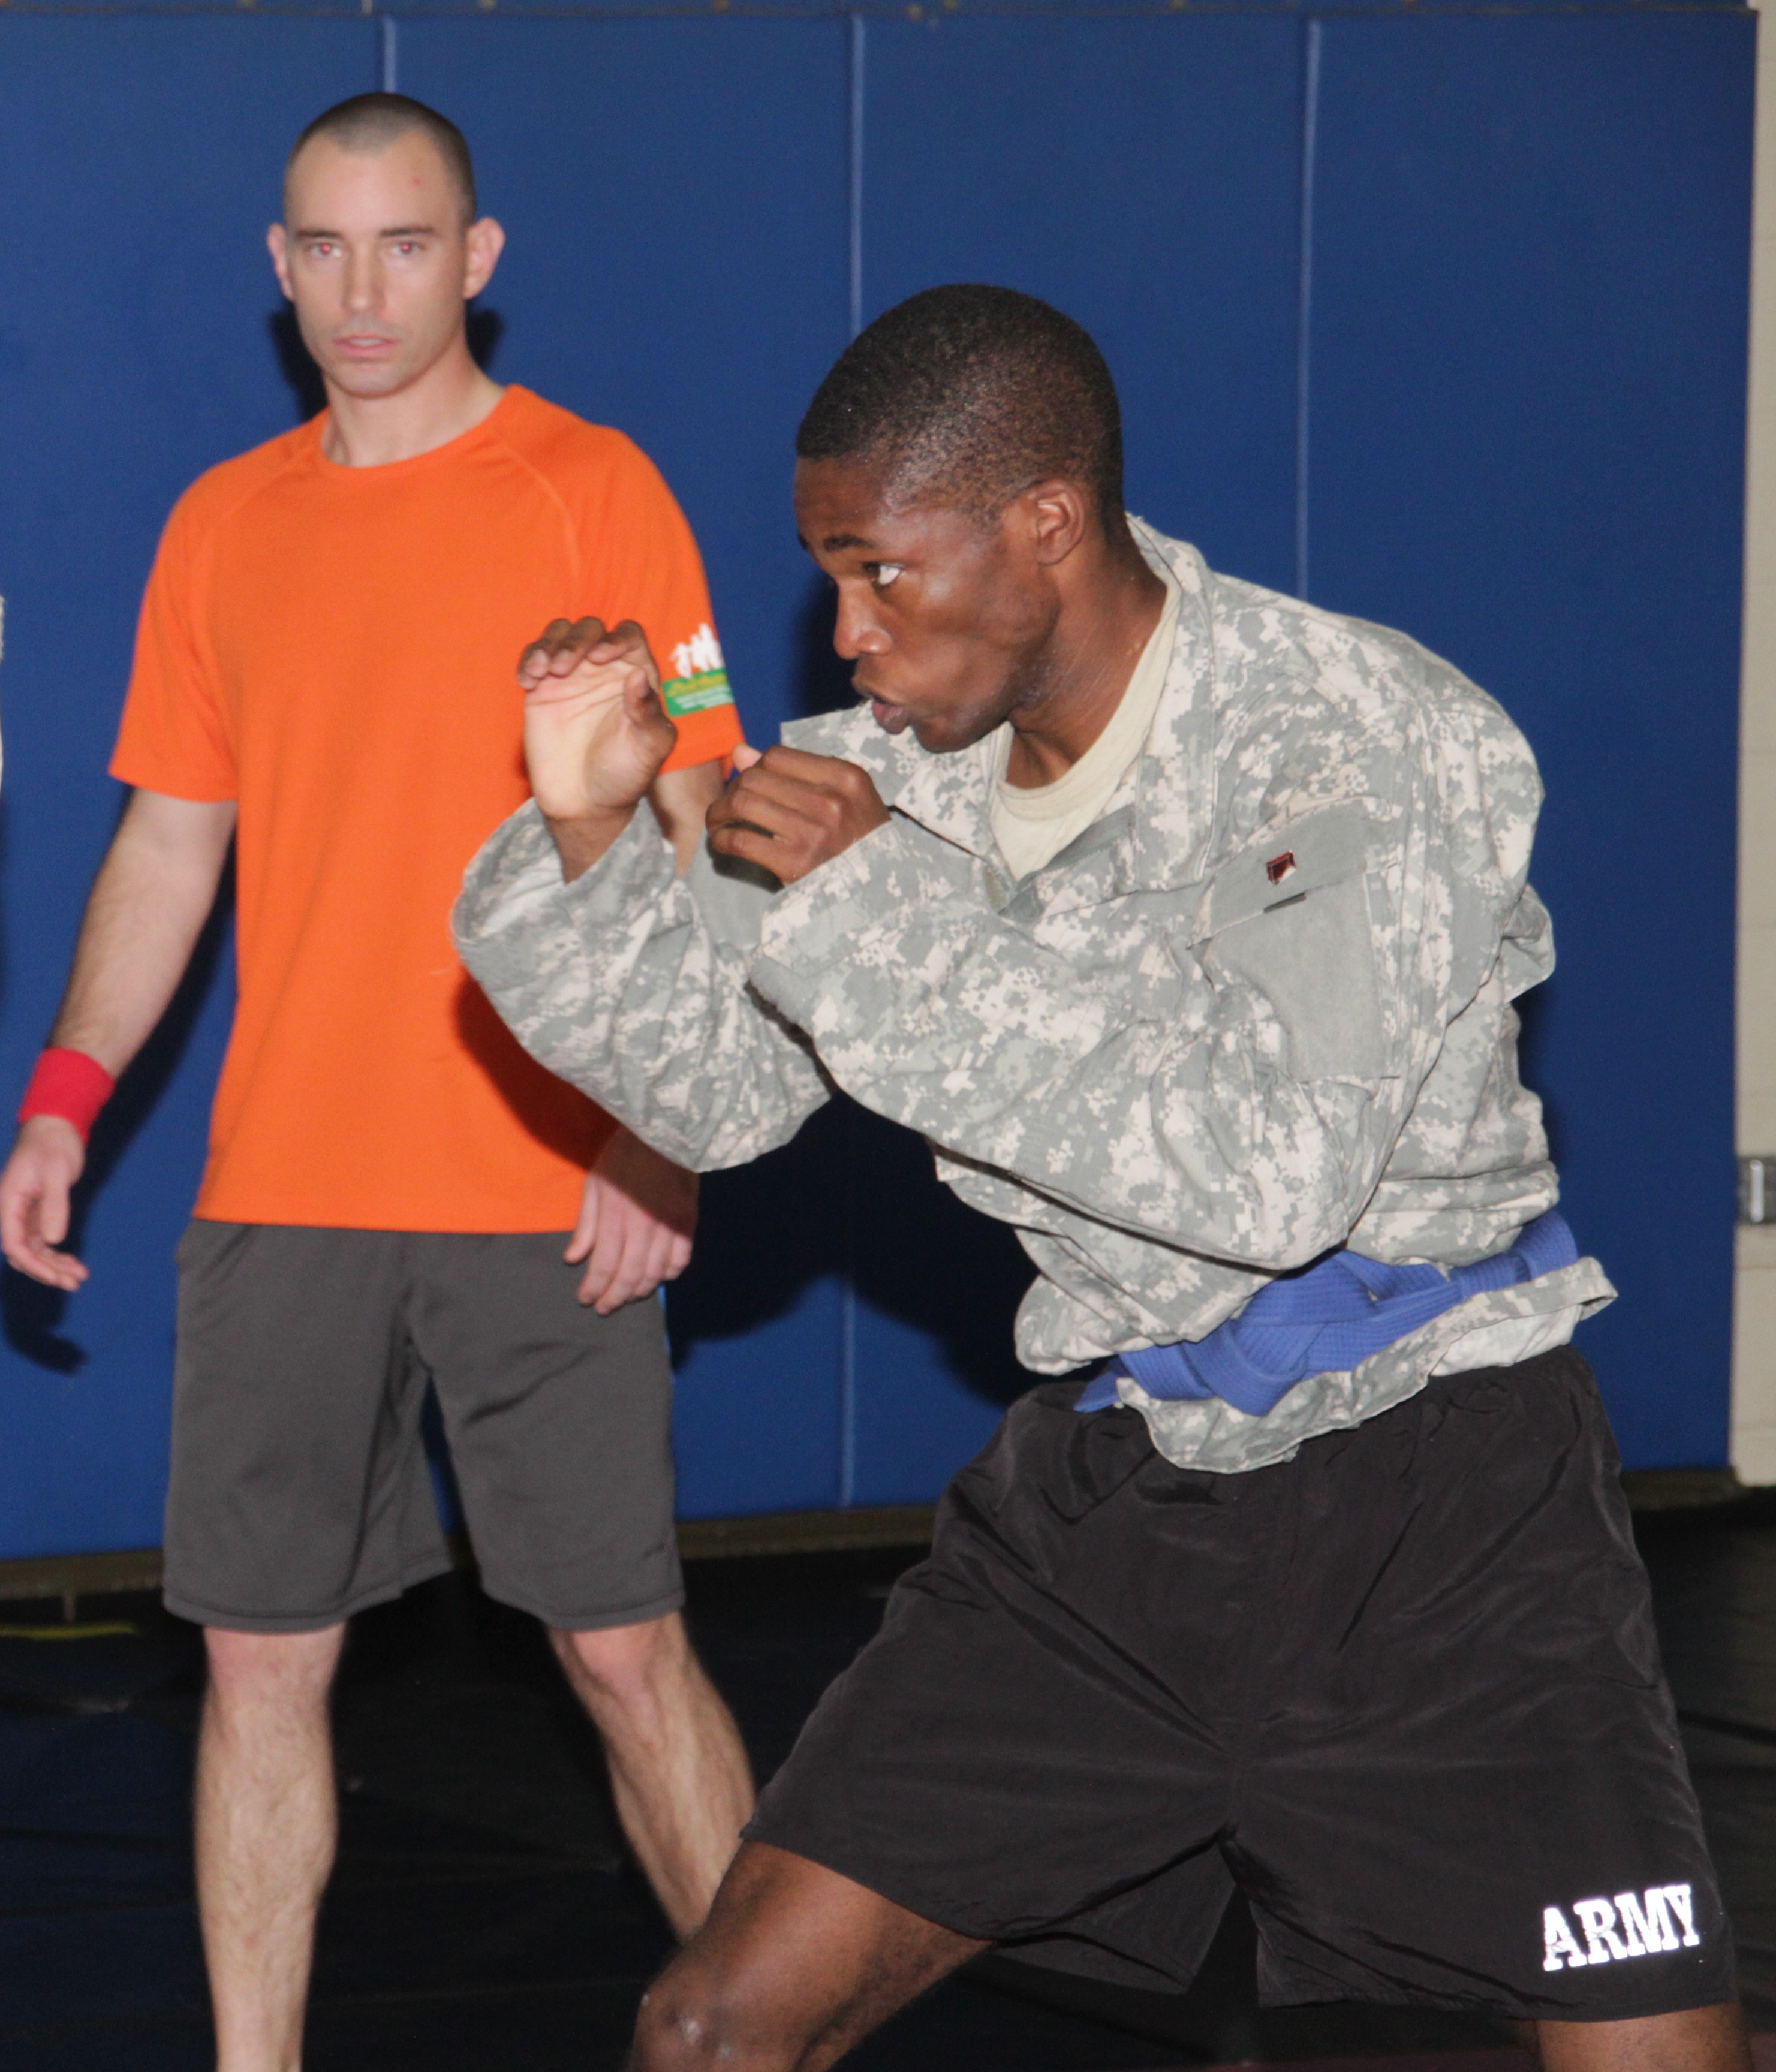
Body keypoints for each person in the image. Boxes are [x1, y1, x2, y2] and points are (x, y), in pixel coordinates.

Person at [454, 282, 1741, 2071]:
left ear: (1046, 528)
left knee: (1649, 2061)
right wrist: (589, 834)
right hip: (1126, 1502)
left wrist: (872, 908)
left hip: (1447, 1501)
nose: (846, 638)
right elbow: (718, 1094)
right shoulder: (881, 781)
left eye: (880, 573)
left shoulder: (1353, 727)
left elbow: (1269, 1167)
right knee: (714, 2026)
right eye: (828, 578)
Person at [0, 93, 752, 2070]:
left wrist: (653, 1127)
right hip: (285, 1191)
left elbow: (703, 815)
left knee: (620, 1649)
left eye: (404, 245)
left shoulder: (600, 495)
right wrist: (67, 1094)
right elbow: (170, 844)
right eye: (321, 248)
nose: (362, 290)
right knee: (257, 1667)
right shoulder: (223, 522)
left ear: (476, 259)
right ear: (276, 267)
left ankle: (775, 2041)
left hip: (538, 1181)